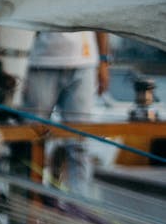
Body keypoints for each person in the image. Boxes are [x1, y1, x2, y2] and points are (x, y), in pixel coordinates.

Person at [19, 31, 110, 197]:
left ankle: (80, 209)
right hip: (39, 61)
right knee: (31, 142)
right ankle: (29, 208)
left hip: (84, 62)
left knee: (79, 145)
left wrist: (103, 60)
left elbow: (100, 18)